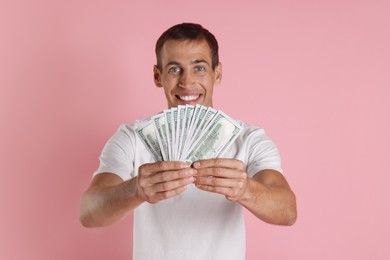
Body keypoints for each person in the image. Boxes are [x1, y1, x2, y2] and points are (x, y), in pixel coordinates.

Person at [80, 23, 297, 260]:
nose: (187, 81)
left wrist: (245, 188)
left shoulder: (249, 139)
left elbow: (287, 211)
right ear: (157, 76)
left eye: (199, 68)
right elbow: (89, 213)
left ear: (217, 73)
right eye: (174, 69)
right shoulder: (132, 137)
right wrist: (136, 189)